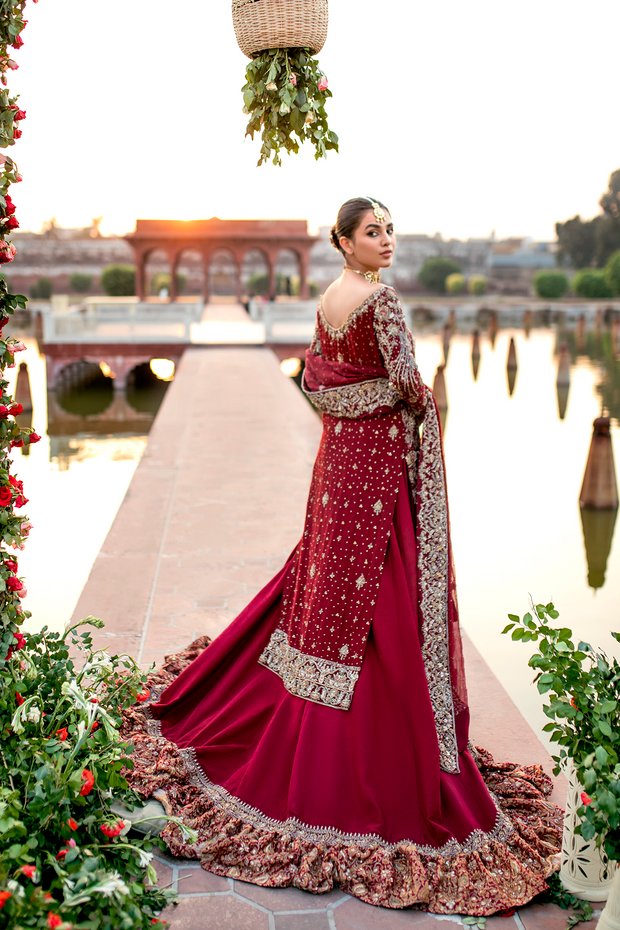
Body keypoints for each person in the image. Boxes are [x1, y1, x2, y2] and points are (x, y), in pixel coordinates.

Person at [124, 197, 562, 916]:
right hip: (381, 466)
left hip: (339, 467)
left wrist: (375, 402)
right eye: (372, 231)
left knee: (329, 591)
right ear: (343, 240)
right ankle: (393, 751)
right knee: (384, 601)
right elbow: (408, 388)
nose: (385, 241)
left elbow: (322, 382)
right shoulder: (382, 303)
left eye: (390, 230)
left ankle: (321, 715)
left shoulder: (330, 298)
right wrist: (416, 414)